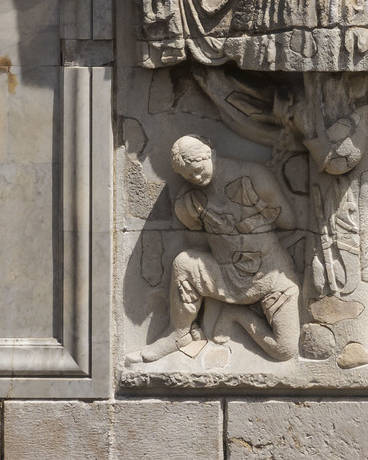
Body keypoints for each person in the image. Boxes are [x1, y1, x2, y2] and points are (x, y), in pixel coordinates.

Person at [129, 136, 301, 363]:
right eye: (188, 176)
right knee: (183, 263)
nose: (196, 178)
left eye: (198, 169)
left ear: (210, 152)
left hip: (271, 275)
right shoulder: (190, 200)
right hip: (225, 274)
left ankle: (238, 315)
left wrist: (251, 219)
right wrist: (198, 217)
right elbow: (197, 245)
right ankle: (179, 334)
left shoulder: (254, 177)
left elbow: (288, 222)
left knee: (285, 350)